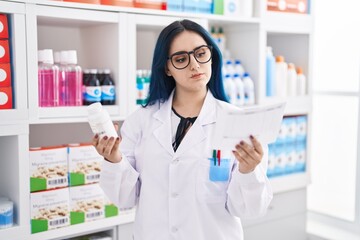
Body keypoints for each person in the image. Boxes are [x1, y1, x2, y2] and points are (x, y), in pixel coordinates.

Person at [92, 19, 273, 240]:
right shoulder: (141, 122)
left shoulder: (238, 123)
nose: (195, 65)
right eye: (181, 59)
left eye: (201, 53)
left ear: (212, 56)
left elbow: (248, 209)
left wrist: (248, 172)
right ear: (167, 67)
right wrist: (114, 161)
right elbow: (124, 199)